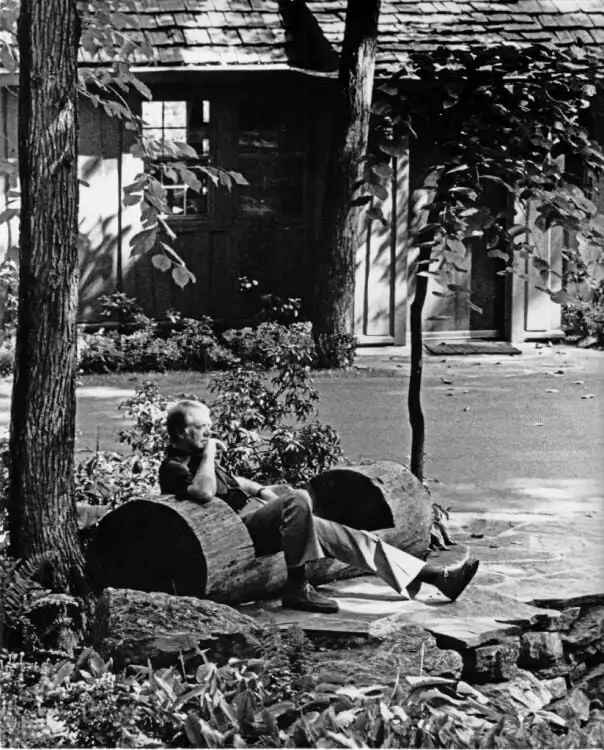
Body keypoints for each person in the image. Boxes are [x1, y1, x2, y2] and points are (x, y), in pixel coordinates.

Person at [159, 400, 480, 614]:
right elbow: (203, 492)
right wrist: (212, 452)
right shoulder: (175, 466)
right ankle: (296, 586)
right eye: (202, 427)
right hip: (234, 536)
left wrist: (261, 490)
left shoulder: (198, 459)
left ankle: (435, 577)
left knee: (348, 537)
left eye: (209, 426)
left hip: (251, 519)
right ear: (179, 433)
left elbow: (234, 482)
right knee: (299, 499)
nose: (209, 432)